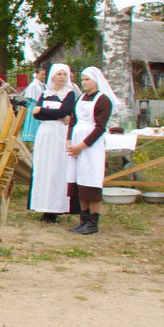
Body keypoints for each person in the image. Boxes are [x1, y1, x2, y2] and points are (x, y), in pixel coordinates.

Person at [66, 66, 117, 235]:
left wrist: (82, 146)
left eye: (87, 79)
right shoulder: (80, 99)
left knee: (91, 181)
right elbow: (73, 121)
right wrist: (69, 140)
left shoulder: (103, 100)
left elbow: (100, 127)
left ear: (96, 81)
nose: (84, 82)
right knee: (80, 181)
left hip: (91, 145)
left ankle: (93, 222)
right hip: (77, 141)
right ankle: (84, 219)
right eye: (83, 79)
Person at [29, 64, 78, 223]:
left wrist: (43, 110)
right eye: (59, 74)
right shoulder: (45, 93)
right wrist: (52, 114)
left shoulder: (69, 94)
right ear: (53, 76)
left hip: (59, 134)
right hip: (45, 134)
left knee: (57, 168)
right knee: (44, 168)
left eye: (65, 74)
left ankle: (56, 208)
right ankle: (42, 205)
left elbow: (64, 112)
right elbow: (36, 115)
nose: (62, 77)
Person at [21, 66, 47, 143]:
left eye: (44, 75)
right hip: (34, 105)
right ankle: (31, 137)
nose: (43, 76)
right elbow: (29, 98)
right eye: (41, 74)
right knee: (33, 122)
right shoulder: (34, 85)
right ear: (37, 74)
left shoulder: (44, 85)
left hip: (41, 105)